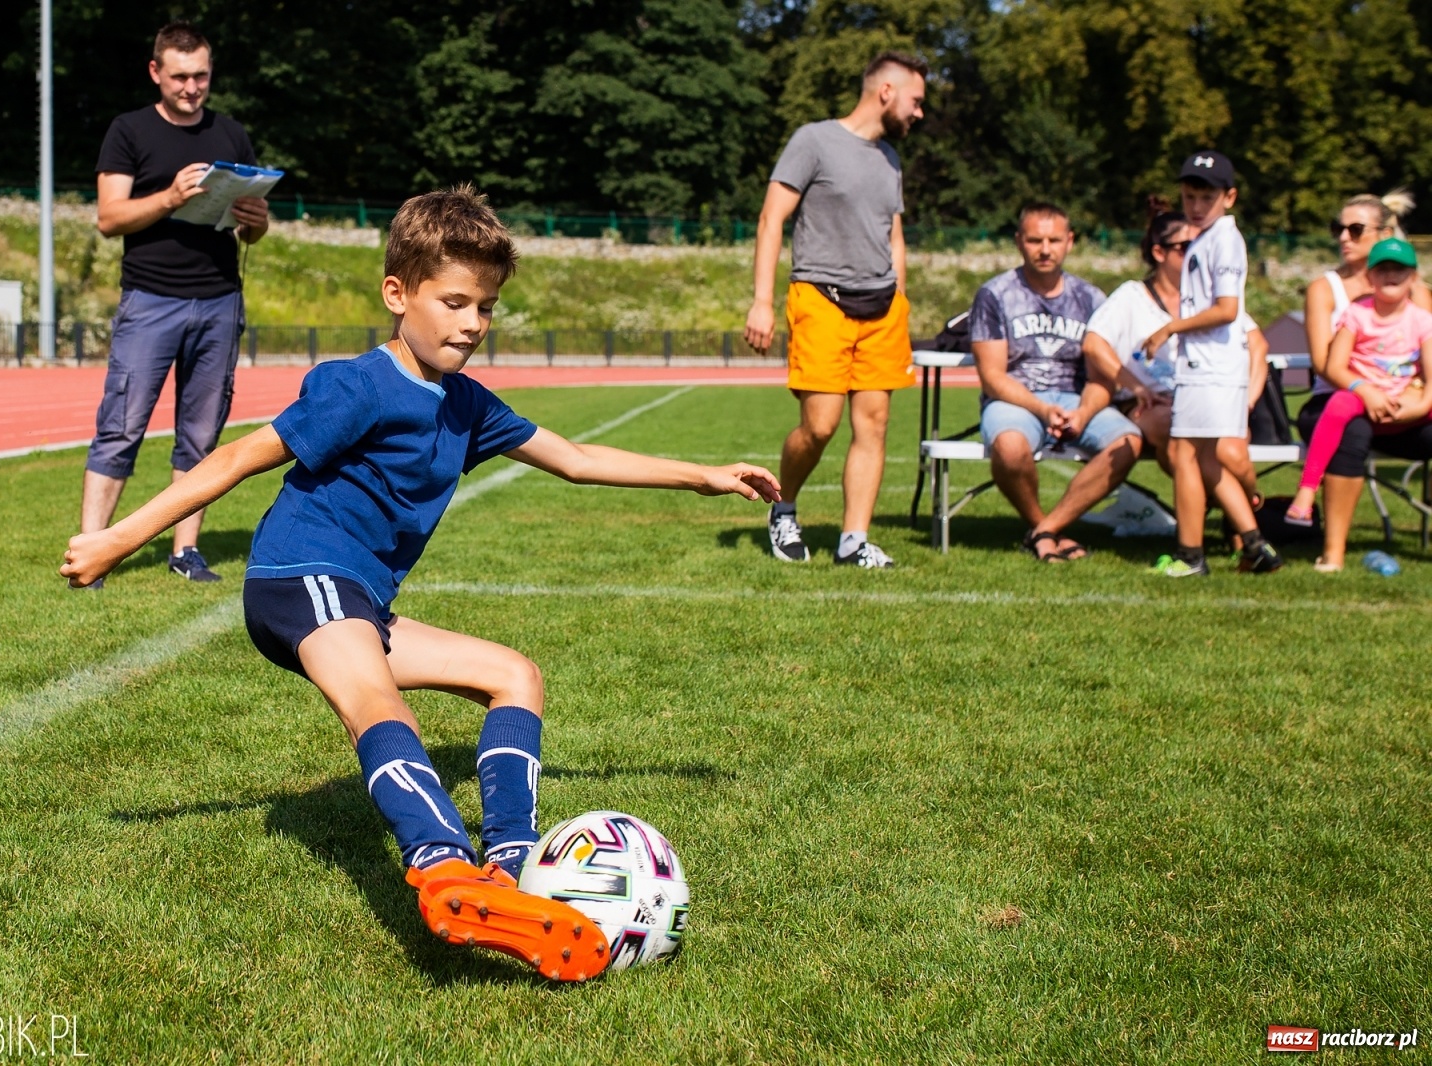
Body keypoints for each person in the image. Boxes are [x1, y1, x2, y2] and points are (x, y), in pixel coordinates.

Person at [60, 187, 779, 982]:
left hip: (360, 598)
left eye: (488, 306)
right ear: (398, 295)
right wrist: (117, 539)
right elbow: (232, 459)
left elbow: (575, 459)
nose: (473, 322)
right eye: (456, 301)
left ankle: (510, 864)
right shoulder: (356, 386)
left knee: (515, 676)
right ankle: (443, 869)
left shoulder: (467, 404)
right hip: (299, 576)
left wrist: (703, 478)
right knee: (375, 699)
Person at [80, 20, 271, 587]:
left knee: (202, 434)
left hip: (218, 299)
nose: (192, 87)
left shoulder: (231, 133)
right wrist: (169, 195)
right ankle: (92, 550)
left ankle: (186, 552)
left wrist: (256, 223)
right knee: (121, 425)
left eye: (202, 76)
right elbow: (109, 218)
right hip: (150, 298)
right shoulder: (128, 130)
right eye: (181, 76)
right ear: (156, 72)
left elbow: (252, 236)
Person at [743, 51, 926, 569]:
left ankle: (854, 541)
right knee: (820, 426)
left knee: (874, 425)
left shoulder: (890, 158)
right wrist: (761, 301)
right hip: (821, 299)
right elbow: (771, 218)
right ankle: (784, 510)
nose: (919, 112)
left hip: (883, 309)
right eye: (916, 101)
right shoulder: (813, 140)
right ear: (886, 91)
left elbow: (894, 234)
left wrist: (902, 298)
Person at [970, 202, 1140, 561]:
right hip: (1017, 400)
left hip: (1076, 399)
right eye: (1034, 240)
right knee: (1010, 448)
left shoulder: (1092, 298)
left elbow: (1101, 377)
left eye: (1053, 240)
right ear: (1019, 242)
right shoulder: (995, 294)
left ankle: (1047, 530)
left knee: (1128, 442)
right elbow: (992, 377)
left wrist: (1082, 412)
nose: (1045, 249)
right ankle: (1042, 526)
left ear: (1070, 242)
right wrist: (1042, 409)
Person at [1142, 151, 1281, 576]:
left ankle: (1190, 556)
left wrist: (1170, 328)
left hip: (1211, 367)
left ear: (1229, 197)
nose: (1196, 205)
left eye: (1207, 197)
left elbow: (1226, 309)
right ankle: (1257, 547)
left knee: (1184, 453)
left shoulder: (1224, 239)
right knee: (1206, 460)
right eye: (1189, 196)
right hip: (1209, 366)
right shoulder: (1206, 237)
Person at [1083, 207, 1268, 497]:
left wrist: (1248, 401)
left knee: (1230, 451)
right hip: (1151, 404)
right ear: (1159, 253)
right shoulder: (1132, 296)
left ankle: (1243, 514)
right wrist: (1137, 386)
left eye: (1199, 245)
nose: (1196, 253)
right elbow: (1093, 344)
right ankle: (1246, 517)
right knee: (1180, 440)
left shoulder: (1208, 300)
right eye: (1185, 247)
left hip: (1209, 399)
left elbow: (1258, 345)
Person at [1294, 191, 1432, 570]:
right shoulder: (1327, 290)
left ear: (1385, 232)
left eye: (1355, 230)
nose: (1343, 237)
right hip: (1337, 400)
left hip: (1400, 404)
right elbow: (1325, 363)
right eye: (1338, 228)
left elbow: (1424, 357)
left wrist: (1415, 398)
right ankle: (1334, 551)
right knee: (1351, 430)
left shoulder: (1416, 292)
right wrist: (1365, 391)